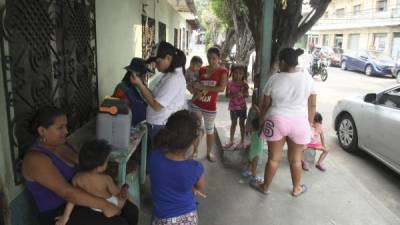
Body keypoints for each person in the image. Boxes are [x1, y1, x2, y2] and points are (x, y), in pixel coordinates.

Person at [22, 106, 138, 225]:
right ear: (42, 131)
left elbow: (89, 169)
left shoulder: (66, 145)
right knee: (118, 223)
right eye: (60, 128)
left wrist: (114, 190)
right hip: (59, 212)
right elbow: (67, 192)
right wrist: (105, 205)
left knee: (131, 211)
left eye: (65, 126)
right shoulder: (35, 159)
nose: (66, 131)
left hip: (80, 200)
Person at [251, 48, 316, 197]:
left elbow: (265, 104)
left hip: (277, 121)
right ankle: (296, 188)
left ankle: (265, 187)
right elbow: (312, 106)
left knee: (274, 158)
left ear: (282, 62)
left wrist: (261, 120)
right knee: (296, 160)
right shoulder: (307, 79)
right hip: (300, 123)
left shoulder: (275, 79)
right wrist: (309, 125)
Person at [55, 140, 134, 225]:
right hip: (110, 204)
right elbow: (116, 192)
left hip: (93, 207)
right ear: (98, 167)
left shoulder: (77, 178)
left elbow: (72, 199)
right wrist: (124, 192)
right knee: (123, 198)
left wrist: (65, 217)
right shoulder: (106, 179)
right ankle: (118, 212)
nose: (107, 163)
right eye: (106, 161)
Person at [149, 110, 205, 225]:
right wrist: (193, 188)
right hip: (186, 218)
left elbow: (167, 179)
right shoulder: (195, 168)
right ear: (193, 141)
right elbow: (199, 186)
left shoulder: (154, 156)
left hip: (161, 217)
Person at [130, 41, 187, 143]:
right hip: (157, 124)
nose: (156, 66)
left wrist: (140, 85)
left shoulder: (174, 78)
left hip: (161, 125)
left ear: (168, 58)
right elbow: (153, 96)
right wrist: (142, 84)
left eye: (158, 62)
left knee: (158, 153)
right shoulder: (169, 75)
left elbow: (156, 106)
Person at [190, 47, 228, 161]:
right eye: (209, 58)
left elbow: (222, 88)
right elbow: (195, 83)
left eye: (214, 58)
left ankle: (209, 152)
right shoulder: (201, 70)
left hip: (210, 107)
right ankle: (195, 150)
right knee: (195, 129)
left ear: (219, 58)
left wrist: (204, 87)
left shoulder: (223, 71)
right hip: (197, 103)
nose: (211, 61)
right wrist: (193, 87)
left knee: (209, 130)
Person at [113, 57, 149, 126]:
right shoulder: (122, 88)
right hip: (128, 127)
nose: (142, 78)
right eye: (139, 75)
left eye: (143, 75)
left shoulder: (142, 87)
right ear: (131, 73)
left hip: (143, 126)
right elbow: (119, 111)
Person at [224, 64, 249, 150]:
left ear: (244, 74)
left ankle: (242, 141)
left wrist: (242, 94)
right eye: (236, 73)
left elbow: (247, 95)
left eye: (240, 73)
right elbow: (226, 95)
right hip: (233, 108)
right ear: (233, 73)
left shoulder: (245, 85)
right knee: (233, 124)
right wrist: (233, 94)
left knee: (242, 124)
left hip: (242, 108)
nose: (238, 75)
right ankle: (231, 141)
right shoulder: (229, 83)